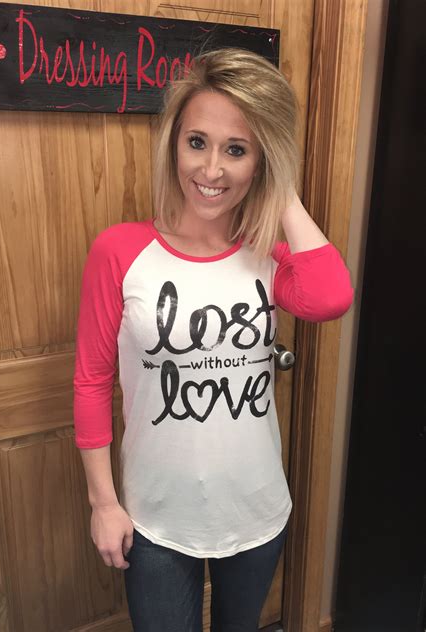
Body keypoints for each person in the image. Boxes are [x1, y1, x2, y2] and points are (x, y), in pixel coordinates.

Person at [73, 48, 354, 632]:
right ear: (174, 144)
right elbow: (92, 380)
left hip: (256, 508)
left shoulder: (269, 256)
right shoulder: (120, 252)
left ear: (261, 161)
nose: (211, 169)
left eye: (237, 150)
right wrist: (103, 502)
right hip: (156, 518)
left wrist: (281, 188)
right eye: (197, 142)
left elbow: (331, 297)